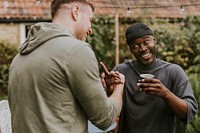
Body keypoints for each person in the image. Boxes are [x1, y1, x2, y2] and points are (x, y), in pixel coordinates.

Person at [8, 0, 125, 133]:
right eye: (90, 20)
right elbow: (105, 119)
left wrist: (103, 93)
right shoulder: (76, 50)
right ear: (75, 12)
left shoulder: (19, 58)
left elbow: (53, 107)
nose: (90, 29)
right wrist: (118, 87)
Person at [102, 22, 198, 133]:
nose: (142, 48)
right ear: (131, 50)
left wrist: (165, 94)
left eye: (146, 41)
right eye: (135, 46)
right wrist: (110, 90)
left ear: (154, 41)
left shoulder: (173, 72)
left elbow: (188, 113)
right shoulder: (121, 72)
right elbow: (107, 115)